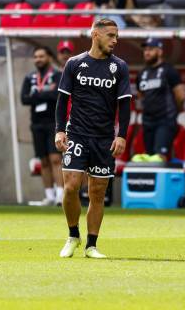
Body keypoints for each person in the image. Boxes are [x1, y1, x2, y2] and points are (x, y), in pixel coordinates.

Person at [55, 18, 132, 259]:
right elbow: (61, 101)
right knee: (70, 188)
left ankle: (91, 245)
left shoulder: (119, 67)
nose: (115, 40)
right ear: (95, 35)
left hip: (103, 138)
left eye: (116, 36)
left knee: (97, 193)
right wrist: (59, 130)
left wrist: (122, 136)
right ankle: (72, 235)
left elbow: (125, 105)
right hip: (76, 133)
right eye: (110, 35)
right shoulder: (75, 64)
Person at [21, 46, 64, 206]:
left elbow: (57, 95)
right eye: (36, 57)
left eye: (41, 56)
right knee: (43, 160)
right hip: (37, 123)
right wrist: (45, 94)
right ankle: (49, 196)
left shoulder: (58, 75)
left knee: (55, 158)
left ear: (49, 58)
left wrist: (37, 94)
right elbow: (24, 99)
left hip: (53, 122)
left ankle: (61, 195)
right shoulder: (29, 77)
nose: (38, 59)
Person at [136, 37, 185, 161]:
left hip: (165, 120)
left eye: (151, 49)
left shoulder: (170, 71)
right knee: (149, 156)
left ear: (160, 51)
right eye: (145, 49)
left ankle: (162, 181)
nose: (147, 52)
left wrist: (174, 113)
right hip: (147, 121)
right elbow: (140, 95)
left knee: (160, 156)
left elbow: (181, 96)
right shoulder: (142, 73)